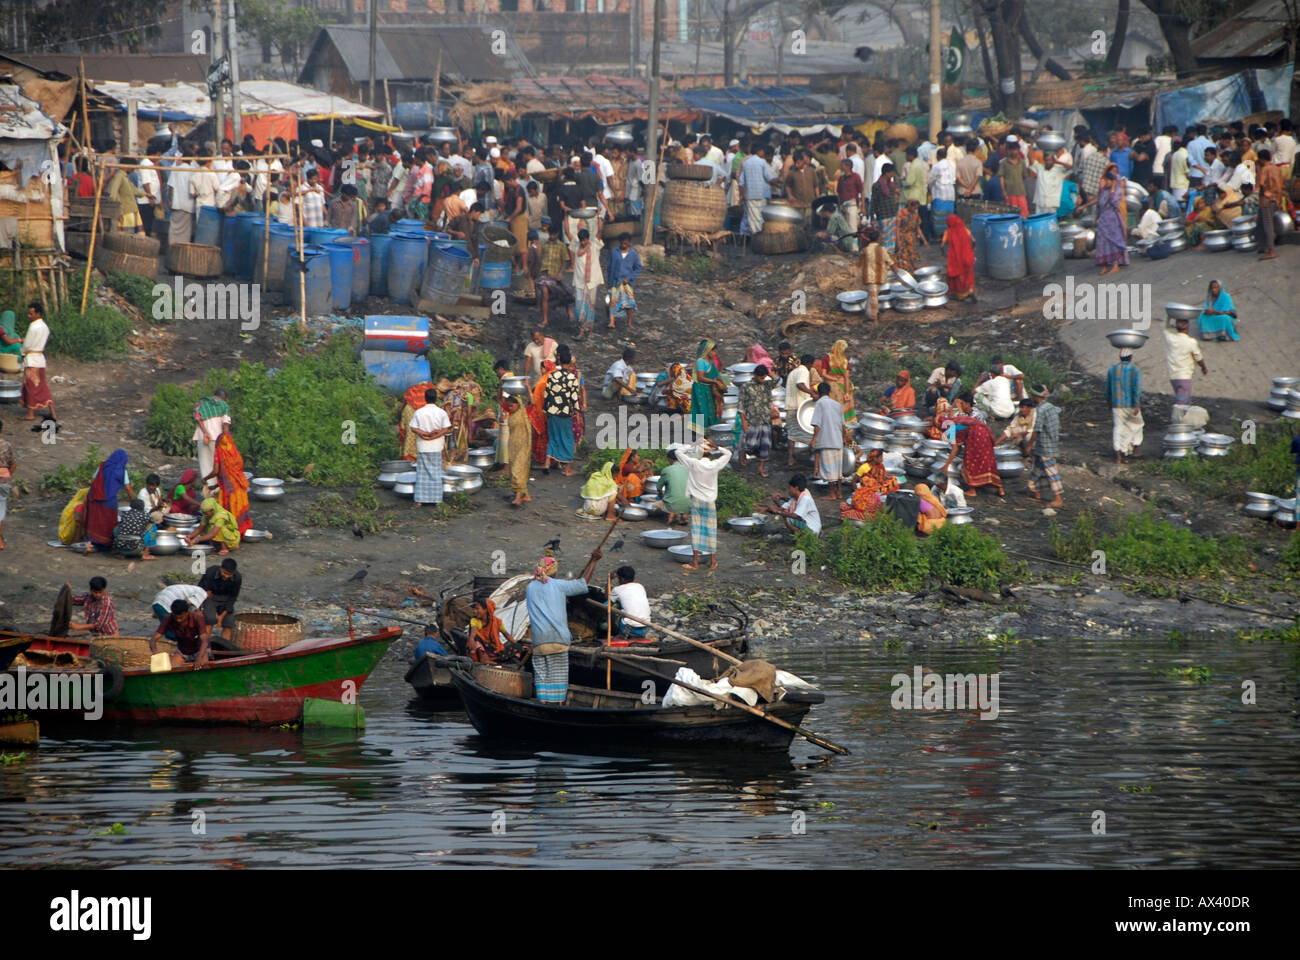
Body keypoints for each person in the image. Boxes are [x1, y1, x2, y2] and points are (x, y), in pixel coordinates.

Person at [525, 549, 602, 702]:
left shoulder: (530, 588)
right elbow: (583, 583)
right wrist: (594, 562)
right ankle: (559, 704)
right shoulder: (559, 585)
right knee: (558, 677)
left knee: (542, 678)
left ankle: (543, 703)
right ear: (553, 572)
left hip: (539, 641)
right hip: (558, 639)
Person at [677, 439, 732, 572]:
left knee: (696, 529)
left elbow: (678, 452)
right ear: (710, 453)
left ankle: (695, 562)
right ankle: (713, 561)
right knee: (711, 529)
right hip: (710, 501)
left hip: (696, 500)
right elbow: (728, 454)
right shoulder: (715, 465)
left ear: (699, 452)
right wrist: (717, 446)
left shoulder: (694, 463)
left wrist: (692, 445)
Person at [409, 387, 452, 507]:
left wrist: (424, 434)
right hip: (436, 446)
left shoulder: (419, 412)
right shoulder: (441, 412)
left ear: (425, 398)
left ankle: (419, 500)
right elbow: (446, 429)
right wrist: (435, 435)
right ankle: (437, 499)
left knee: (422, 472)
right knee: (436, 472)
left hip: (423, 446)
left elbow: (413, 427)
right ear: (436, 398)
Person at [941, 414, 1004, 498]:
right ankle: (1000, 488)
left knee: (970, 462)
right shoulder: (958, 420)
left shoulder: (950, 428)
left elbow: (955, 449)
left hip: (975, 435)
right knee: (988, 460)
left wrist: (946, 465)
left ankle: (972, 490)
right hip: (985, 432)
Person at [1082, 164, 1129, 275]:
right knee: (1102, 243)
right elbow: (1099, 202)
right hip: (1103, 220)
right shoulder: (1103, 191)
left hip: (1113, 220)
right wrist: (1086, 207)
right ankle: (1104, 266)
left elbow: (1114, 203)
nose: (1106, 182)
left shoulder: (1117, 192)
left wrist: (1112, 190)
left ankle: (1115, 265)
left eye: (1109, 181)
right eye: (1106, 180)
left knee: (1113, 242)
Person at [543, 344, 581, 475]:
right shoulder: (572, 378)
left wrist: (545, 410)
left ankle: (547, 462)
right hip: (565, 413)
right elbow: (574, 397)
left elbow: (547, 394)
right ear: (569, 362)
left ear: (559, 360)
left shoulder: (552, 376)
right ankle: (568, 469)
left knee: (553, 437)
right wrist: (576, 411)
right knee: (568, 438)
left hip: (552, 411)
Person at [86, 449, 132, 550]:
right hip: (109, 501)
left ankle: (92, 542)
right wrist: (133, 501)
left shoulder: (103, 466)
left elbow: (93, 480)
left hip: (96, 497)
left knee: (96, 521)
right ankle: (105, 545)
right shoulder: (122, 471)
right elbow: (128, 488)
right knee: (108, 522)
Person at [1025, 386, 1063, 507]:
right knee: (1036, 467)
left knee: (1051, 471)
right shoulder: (1052, 407)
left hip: (1046, 445)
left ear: (1036, 397)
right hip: (1050, 442)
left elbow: (1037, 430)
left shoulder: (1041, 410)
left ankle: (1058, 498)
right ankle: (1034, 490)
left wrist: (1029, 445)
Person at [149, 597, 213, 668]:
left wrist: (199, 657)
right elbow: (153, 640)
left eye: (181, 618)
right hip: (183, 651)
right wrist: (154, 651)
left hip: (200, 650)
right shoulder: (169, 619)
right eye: (176, 618)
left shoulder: (197, 618)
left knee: (203, 666)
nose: (178, 620)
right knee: (172, 669)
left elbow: (204, 641)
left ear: (187, 613)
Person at [810, 382, 848, 502]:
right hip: (837, 440)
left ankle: (832, 494)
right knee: (838, 469)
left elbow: (817, 423)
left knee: (829, 468)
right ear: (830, 392)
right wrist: (844, 438)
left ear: (818, 393)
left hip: (826, 440)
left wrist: (814, 439)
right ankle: (840, 492)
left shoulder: (820, 403)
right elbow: (843, 425)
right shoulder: (837, 404)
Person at [1105, 350, 1143, 465]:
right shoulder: (1134, 370)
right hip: (1130, 404)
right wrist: (1137, 404)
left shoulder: (1112, 370)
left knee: (1118, 428)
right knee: (1137, 425)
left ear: (1119, 357)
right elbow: (1137, 389)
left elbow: (1108, 389)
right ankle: (1135, 449)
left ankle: (1118, 456)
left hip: (1117, 405)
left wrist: (1108, 403)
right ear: (1130, 357)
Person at [736, 364, 774, 477]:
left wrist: (769, 373)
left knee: (765, 445)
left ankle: (761, 468)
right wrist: (743, 422)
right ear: (755, 375)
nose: (763, 379)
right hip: (752, 420)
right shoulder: (746, 387)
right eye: (761, 377)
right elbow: (741, 405)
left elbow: (778, 380)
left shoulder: (767, 385)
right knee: (751, 444)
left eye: (764, 377)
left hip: (765, 420)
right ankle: (743, 452)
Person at [838, 449, 898, 521]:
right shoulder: (864, 467)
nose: (882, 459)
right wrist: (857, 491)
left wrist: (889, 478)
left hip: (879, 487)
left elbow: (883, 478)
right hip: (867, 488)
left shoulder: (881, 466)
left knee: (893, 479)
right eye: (881, 457)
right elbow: (854, 481)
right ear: (875, 458)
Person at [20, 302, 54, 421]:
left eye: (31, 313)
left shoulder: (33, 326)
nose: (29, 316)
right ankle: (52, 410)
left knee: (31, 386)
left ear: (38, 314)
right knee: (41, 385)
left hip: (32, 359)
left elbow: (28, 344)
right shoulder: (45, 327)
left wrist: (22, 351)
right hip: (40, 359)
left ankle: (31, 413)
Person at [198, 557, 242, 644]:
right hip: (211, 597)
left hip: (226, 599)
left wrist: (222, 616)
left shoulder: (237, 578)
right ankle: (204, 645)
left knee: (229, 622)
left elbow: (233, 598)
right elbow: (201, 589)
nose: (226, 576)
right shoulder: (210, 572)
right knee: (210, 619)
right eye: (224, 573)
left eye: (229, 574)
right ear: (221, 568)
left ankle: (224, 645)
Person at [1165, 317, 1208, 407]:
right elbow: (1198, 358)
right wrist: (1203, 368)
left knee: (1185, 401)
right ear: (1188, 326)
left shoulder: (1170, 339)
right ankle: (1178, 420)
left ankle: (1183, 419)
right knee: (1181, 405)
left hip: (1173, 376)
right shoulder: (1191, 342)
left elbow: (1165, 328)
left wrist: (1169, 315)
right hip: (1184, 377)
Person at [570, 229, 603, 340]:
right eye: (581, 240)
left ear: (588, 239)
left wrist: (600, 216)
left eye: (584, 240)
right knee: (579, 306)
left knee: (591, 306)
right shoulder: (576, 247)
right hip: (580, 282)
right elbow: (567, 233)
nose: (583, 243)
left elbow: (599, 231)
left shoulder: (594, 246)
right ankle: (581, 331)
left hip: (591, 282)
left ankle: (590, 330)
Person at [193, 388, 232, 481]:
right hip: (216, 439)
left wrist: (205, 433)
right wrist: (227, 441)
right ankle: (216, 490)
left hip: (201, 437)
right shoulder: (223, 404)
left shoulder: (201, 403)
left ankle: (207, 488)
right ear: (223, 397)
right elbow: (225, 424)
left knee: (205, 465)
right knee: (217, 466)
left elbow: (198, 418)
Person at [858, 227, 894, 322]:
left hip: (869, 277)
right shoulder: (882, 249)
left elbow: (859, 264)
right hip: (880, 276)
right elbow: (890, 262)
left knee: (872, 297)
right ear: (878, 239)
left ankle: (874, 319)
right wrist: (896, 271)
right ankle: (871, 315)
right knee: (874, 296)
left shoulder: (864, 250)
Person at [606, 234, 641, 329]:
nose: (623, 245)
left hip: (627, 283)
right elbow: (610, 268)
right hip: (615, 281)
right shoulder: (614, 252)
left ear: (629, 243)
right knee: (613, 302)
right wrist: (609, 282)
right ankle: (612, 322)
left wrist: (629, 278)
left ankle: (629, 323)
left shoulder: (633, 254)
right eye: (622, 243)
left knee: (629, 304)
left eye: (625, 243)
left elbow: (638, 268)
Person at [466, 598, 518, 663]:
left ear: (486, 610)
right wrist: (471, 639)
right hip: (482, 649)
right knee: (476, 637)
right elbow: (473, 631)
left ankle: (493, 659)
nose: (474, 611)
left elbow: (506, 635)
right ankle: (484, 659)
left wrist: (516, 643)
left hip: (494, 649)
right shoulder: (475, 620)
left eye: (477, 609)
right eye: (474, 609)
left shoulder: (497, 622)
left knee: (518, 647)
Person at [690, 339, 725, 435]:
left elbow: (716, 374)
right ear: (706, 351)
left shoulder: (711, 362)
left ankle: (711, 429)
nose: (714, 353)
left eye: (715, 351)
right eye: (712, 351)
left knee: (712, 409)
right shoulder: (701, 362)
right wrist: (714, 381)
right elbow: (701, 377)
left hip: (710, 388)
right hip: (701, 389)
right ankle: (700, 431)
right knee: (702, 410)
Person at [1254, 148, 1283, 261]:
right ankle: (1263, 246)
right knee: (1261, 222)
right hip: (1275, 198)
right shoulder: (1276, 169)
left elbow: (1261, 184)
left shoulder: (1265, 169)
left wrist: (1265, 192)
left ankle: (1271, 250)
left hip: (1266, 200)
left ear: (1261, 159)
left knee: (1267, 224)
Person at [609, 566, 652, 638]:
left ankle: (615, 631)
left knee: (608, 605)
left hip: (629, 628)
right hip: (646, 627)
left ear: (621, 579)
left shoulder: (617, 589)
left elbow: (607, 599)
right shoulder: (640, 586)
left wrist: (609, 580)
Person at [820, 340, 856, 424]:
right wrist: (847, 392)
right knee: (845, 402)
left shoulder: (827, 358)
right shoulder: (844, 360)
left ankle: (835, 422)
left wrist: (832, 379)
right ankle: (845, 423)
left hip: (831, 382)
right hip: (842, 384)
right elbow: (846, 377)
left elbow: (824, 374)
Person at [658, 447, 691, 526]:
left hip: (671, 505)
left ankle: (672, 513)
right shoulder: (688, 469)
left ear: (670, 459)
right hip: (688, 504)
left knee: (655, 505)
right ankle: (683, 515)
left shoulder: (667, 470)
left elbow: (658, 487)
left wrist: (662, 497)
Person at [0, 419, 13, 550]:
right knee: (1, 508)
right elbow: (13, 464)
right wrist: (8, 475)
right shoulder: (6, 445)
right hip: (3, 479)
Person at [0, 309, 22, 375]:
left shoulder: (13, 333)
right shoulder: (1, 329)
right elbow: (8, 341)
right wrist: (20, 340)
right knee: (17, 345)